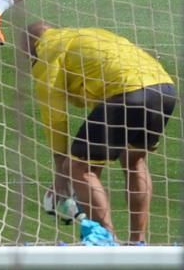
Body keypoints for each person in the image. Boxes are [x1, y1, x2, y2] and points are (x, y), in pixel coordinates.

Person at [20, 21, 178, 243]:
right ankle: (137, 241)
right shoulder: (87, 35)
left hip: (129, 93)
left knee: (78, 167)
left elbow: (54, 114)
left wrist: (61, 172)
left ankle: (105, 240)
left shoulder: (47, 50)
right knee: (134, 161)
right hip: (164, 90)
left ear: (31, 47)